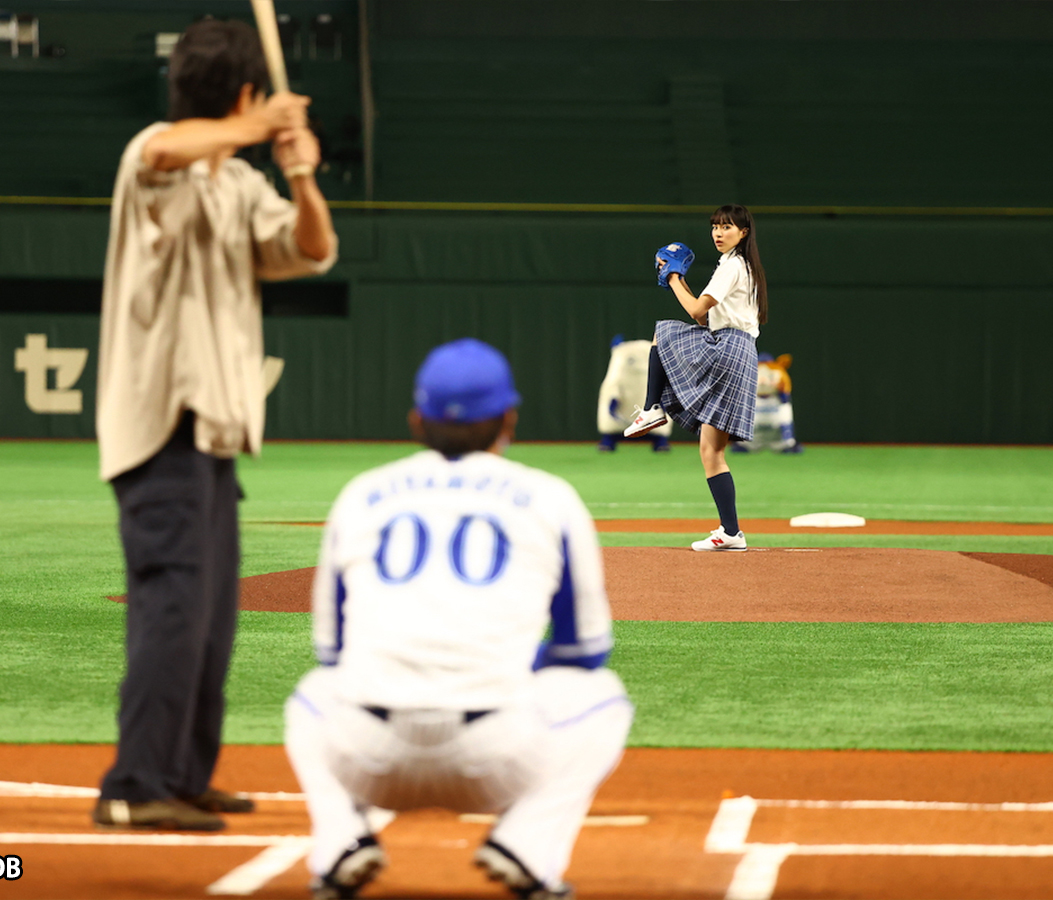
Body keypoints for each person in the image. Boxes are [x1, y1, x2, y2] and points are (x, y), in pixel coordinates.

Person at [92, 18, 338, 831]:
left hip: (215, 438)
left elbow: (314, 249)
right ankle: (136, 785)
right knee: (172, 604)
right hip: (161, 427)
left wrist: (300, 177)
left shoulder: (240, 185)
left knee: (210, 617)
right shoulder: (153, 154)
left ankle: (183, 773)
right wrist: (262, 126)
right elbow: (167, 153)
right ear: (242, 96)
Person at [285, 338, 632, 900]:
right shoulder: (551, 498)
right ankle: (526, 845)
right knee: (605, 696)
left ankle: (342, 842)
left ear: (416, 420)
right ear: (508, 420)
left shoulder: (361, 495)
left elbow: (331, 650)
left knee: (310, 693)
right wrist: (513, 658)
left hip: (370, 757)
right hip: (496, 760)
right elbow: (587, 650)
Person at [623, 204, 768, 552]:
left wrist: (674, 278)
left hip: (728, 349)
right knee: (711, 450)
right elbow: (706, 320)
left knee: (665, 333)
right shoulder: (736, 265)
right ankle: (731, 532)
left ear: (743, 232)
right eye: (715, 227)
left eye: (727, 227)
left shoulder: (733, 265)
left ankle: (653, 407)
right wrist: (682, 281)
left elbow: (695, 311)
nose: (719, 233)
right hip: (735, 348)